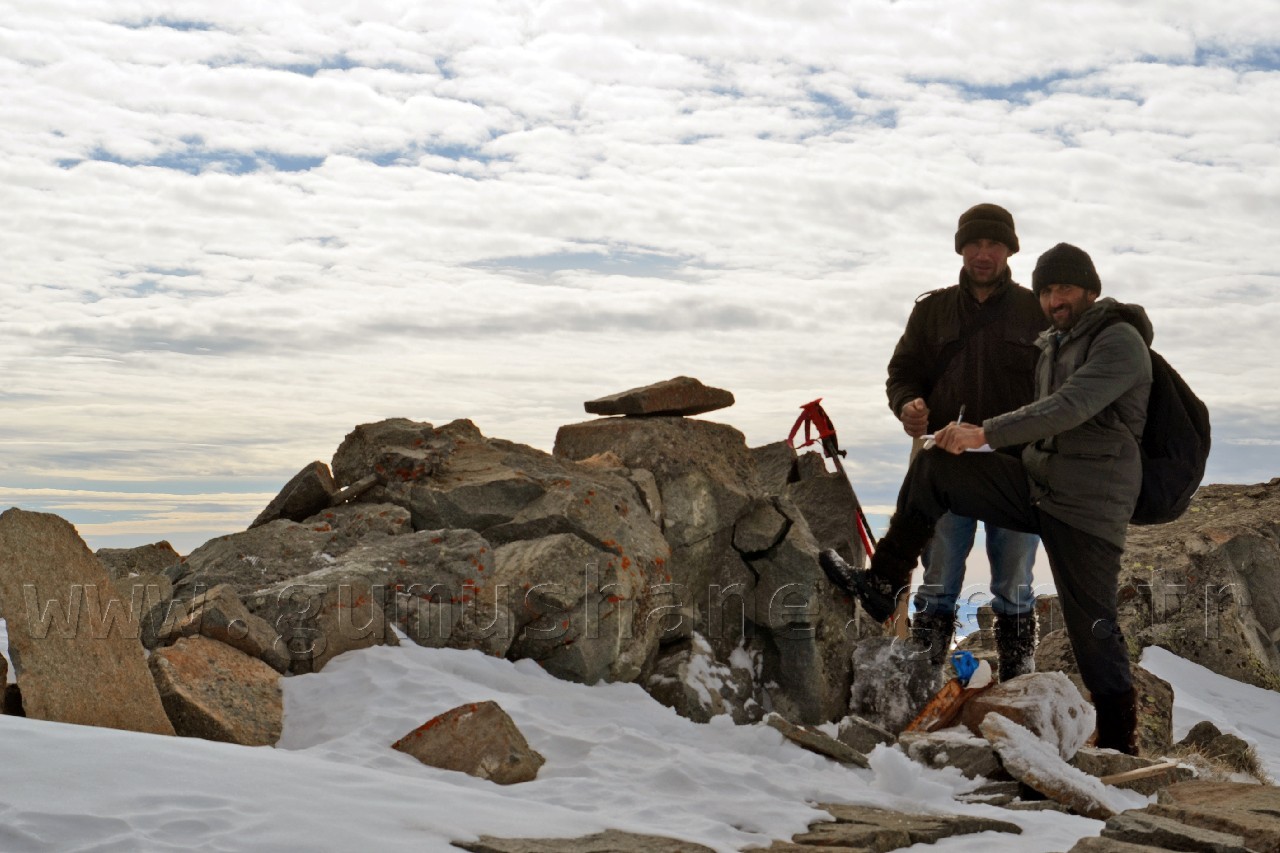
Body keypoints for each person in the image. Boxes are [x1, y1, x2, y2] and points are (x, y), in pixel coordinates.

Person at [823, 242, 1152, 753]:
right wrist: (930, 416)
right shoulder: (1055, 341)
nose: (1055, 299)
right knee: (934, 465)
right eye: (1047, 290)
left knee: (1093, 627)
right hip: (1037, 483)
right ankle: (883, 582)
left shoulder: (1118, 340)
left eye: (1065, 288)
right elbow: (907, 373)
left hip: (1087, 503)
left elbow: (1068, 406)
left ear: (1091, 290)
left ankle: (1119, 741)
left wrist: (985, 433)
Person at [884, 203, 1046, 680]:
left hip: (1015, 467)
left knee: (1015, 581)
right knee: (937, 580)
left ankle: (1019, 679)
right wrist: (907, 404)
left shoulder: (1036, 311)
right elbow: (902, 373)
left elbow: (1058, 389)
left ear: (1009, 250)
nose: (983, 253)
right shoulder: (931, 311)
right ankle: (923, 677)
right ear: (961, 249)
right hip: (943, 469)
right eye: (974, 243)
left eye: (993, 244)